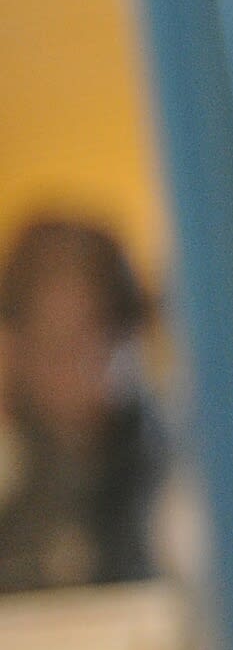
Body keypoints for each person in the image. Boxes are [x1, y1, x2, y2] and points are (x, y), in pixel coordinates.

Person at [0, 217, 172, 596]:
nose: (76, 370)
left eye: (95, 343)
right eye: (54, 347)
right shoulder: (9, 462)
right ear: (15, 346)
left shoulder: (174, 472)